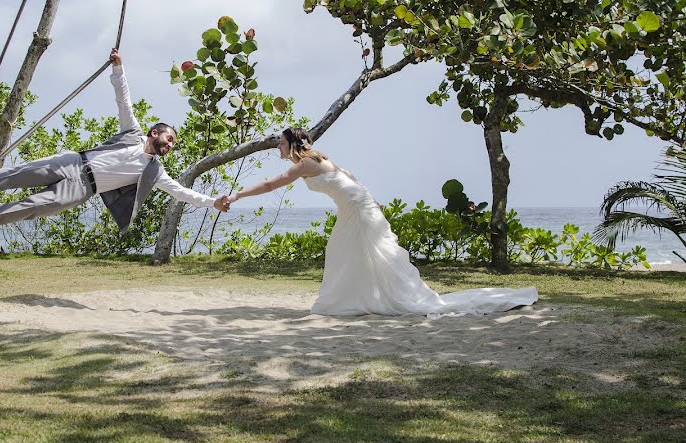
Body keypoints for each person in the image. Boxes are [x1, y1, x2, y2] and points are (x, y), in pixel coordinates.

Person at [223, 128, 538, 317]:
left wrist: (237, 195)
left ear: (292, 145)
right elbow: (351, 177)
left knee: (357, 256)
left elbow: (271, 185)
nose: (277, 148)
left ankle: (357, 302)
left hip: (359, 212)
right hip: (357, 208)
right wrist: (371, 200)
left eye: (279, 143)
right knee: (345, 254)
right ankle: (354, 300)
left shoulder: (305, 163)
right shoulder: (320, 159)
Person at [0, 48, 230, 238]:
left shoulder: (155, 172)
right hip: (74, 162)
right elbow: (124, 101)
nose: (169, 146)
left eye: (172, 145)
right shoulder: (133, 133)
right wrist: (119, 69)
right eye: (169, 139)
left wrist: (211, 202)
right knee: (19, 173)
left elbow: (181, 192)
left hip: (83, 187)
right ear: (155, 133)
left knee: (33, 206)